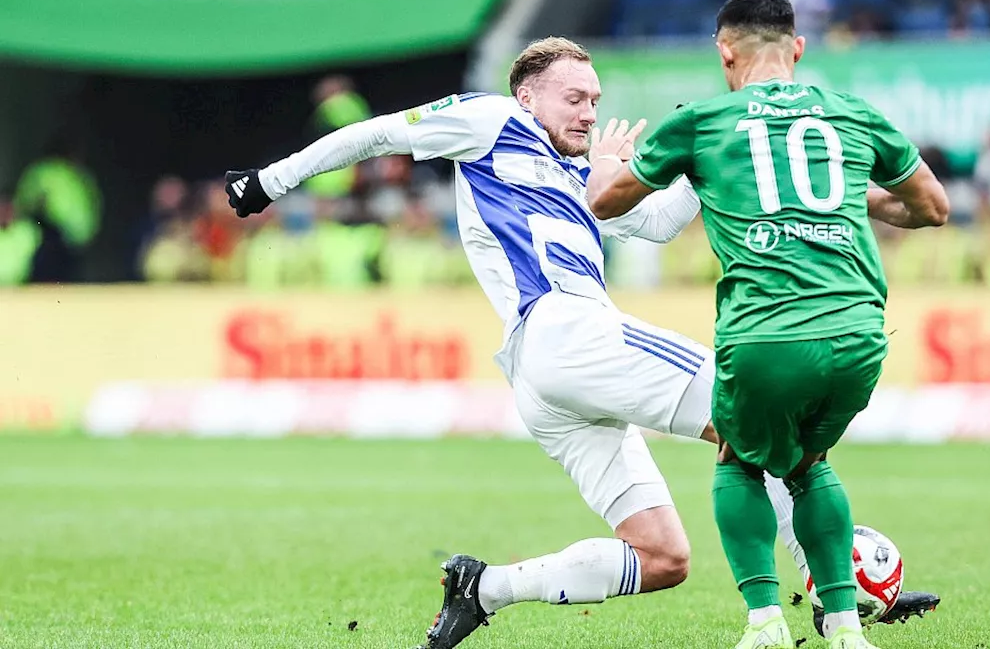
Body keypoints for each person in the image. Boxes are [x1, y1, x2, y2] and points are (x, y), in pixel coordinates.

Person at [225, 37, 832, 649]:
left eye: (594, 100)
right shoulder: (493, 119)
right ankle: (839, 591)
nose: (589, 113)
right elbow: (374, 134)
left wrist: (696, 164)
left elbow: (654, 224)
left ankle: (485, 588)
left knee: (662, 557)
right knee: (755, 413)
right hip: (563, 329)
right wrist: (269, 181)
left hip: (548, 375)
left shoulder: (582, 171)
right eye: (573, 98)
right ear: (526, 95)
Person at [588, 0, 949, 649]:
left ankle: (764, 624)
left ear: (725, 53)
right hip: (859, 331)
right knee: (810, 463)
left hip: (768, 332)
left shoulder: (704, 121)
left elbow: (606, 204)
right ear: (800, 49)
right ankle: (846, 629)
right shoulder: (852, 115)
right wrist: (841, 196)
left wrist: (605, 162)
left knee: (737, 457)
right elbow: (931, 207)